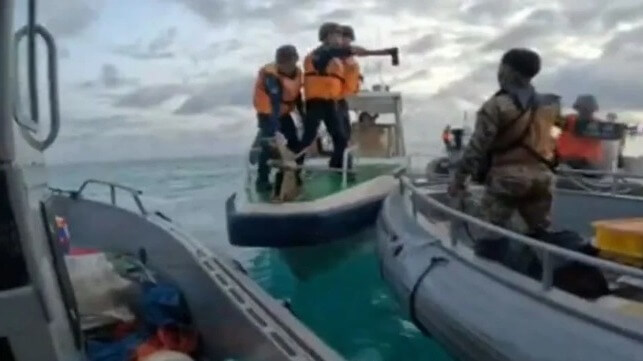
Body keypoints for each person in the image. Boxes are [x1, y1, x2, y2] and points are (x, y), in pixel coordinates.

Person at [448, 48, 559, 235]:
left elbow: (476, 148)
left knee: (489, 234)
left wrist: (458, 181)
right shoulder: (550, 105)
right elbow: (553, 139)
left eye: (501, 67)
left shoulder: (496, 106)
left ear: (508, 70)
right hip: (543, 179)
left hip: (507, 180)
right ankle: (543, 262)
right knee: (541, 233)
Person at [301, 22, 398, 170]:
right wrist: (374, 52)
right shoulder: (322, 54)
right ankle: (293, 163)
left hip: (333, 101)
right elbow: (333, 55)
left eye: (342, 36)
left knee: (341, 139)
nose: (341, 39)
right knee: (309, 137)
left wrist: (382, 53)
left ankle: (338, 168)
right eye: (337, 35)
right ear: (326, 37)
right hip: (319, 102)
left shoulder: (339, 57)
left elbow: (347, 65)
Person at [252, 45, 304, 191]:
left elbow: (297, 96)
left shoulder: (298, 73)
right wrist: (275, 131)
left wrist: (304, 116)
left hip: (284, 113)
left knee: (295, 143)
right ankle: (262, 180)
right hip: (267, 115)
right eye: (281, 62)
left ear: (295, 60)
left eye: (288, 62)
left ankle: (294, 174)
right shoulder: (271, 77)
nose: (285, 65)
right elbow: (274, 103)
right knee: (269, 145)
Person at [556, 95, 603, 170]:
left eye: (588, 110)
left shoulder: (600, 125)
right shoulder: (566, 121)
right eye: (583, 109)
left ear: (593, 110)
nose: (586, 112)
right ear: (577, 109)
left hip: (588, 165)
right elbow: (551, 133)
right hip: (565, 162)